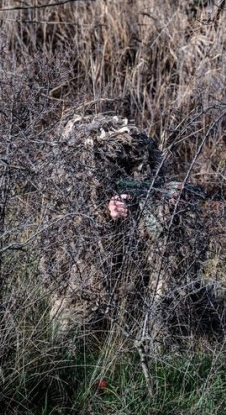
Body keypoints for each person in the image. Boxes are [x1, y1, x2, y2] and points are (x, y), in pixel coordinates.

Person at [38, 114, 209, 350]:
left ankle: (158, 331)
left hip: (132, 277)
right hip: (86, 277)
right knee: (71, 335)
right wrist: (105, 211)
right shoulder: (75, 187)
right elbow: (79, 226)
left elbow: (155, 212)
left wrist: (168, 199)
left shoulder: (144, 166)